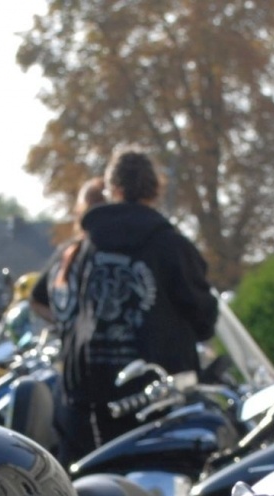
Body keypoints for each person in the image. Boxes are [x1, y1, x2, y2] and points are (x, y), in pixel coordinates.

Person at [56, 149, 219, 458]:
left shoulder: (87, 245)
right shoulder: (172, 244)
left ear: (110, 188)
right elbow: (204, 318)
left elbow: (67, 311)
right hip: (157, 401)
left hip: (90, 402)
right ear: (156, 188)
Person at [29, 176, 106, 324]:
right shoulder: (71, 252)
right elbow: (36, 300)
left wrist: (64, 326)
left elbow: (35, 301)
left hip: (78, 345)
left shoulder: (69, 251)